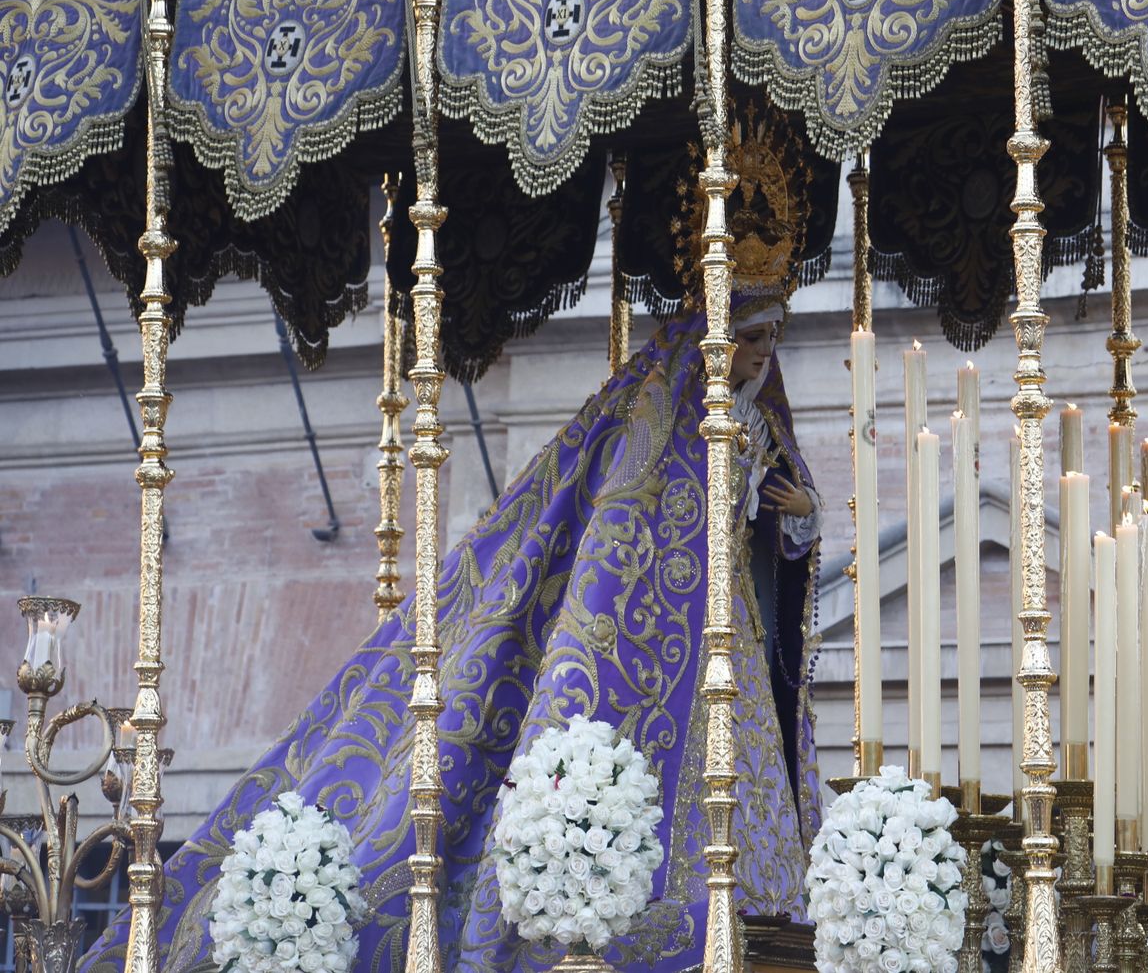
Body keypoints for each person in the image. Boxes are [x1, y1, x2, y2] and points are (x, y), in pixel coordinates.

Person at [82, 288, 824, 973]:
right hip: (669, 648)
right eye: (753, 337)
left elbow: (779, 533)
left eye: (772, 339)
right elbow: (630, 531)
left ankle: (766, 916)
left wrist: (795, 519)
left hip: (733, 641)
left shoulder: (758, 424)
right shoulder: (661, 415)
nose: (763, 355)